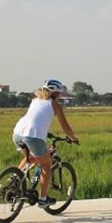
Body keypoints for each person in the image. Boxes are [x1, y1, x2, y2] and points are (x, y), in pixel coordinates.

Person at [12, 79, 79, 208]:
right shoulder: (55, 105)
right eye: (59, 93)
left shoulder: (35, 100)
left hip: (17, 133)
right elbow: (66, 128)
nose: (60, 96)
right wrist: (73, 138)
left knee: (31, 157)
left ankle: (14, 178)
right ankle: (43, 199)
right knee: (46, 166)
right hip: (33, 136)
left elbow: (36, 118)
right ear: (54, 93)